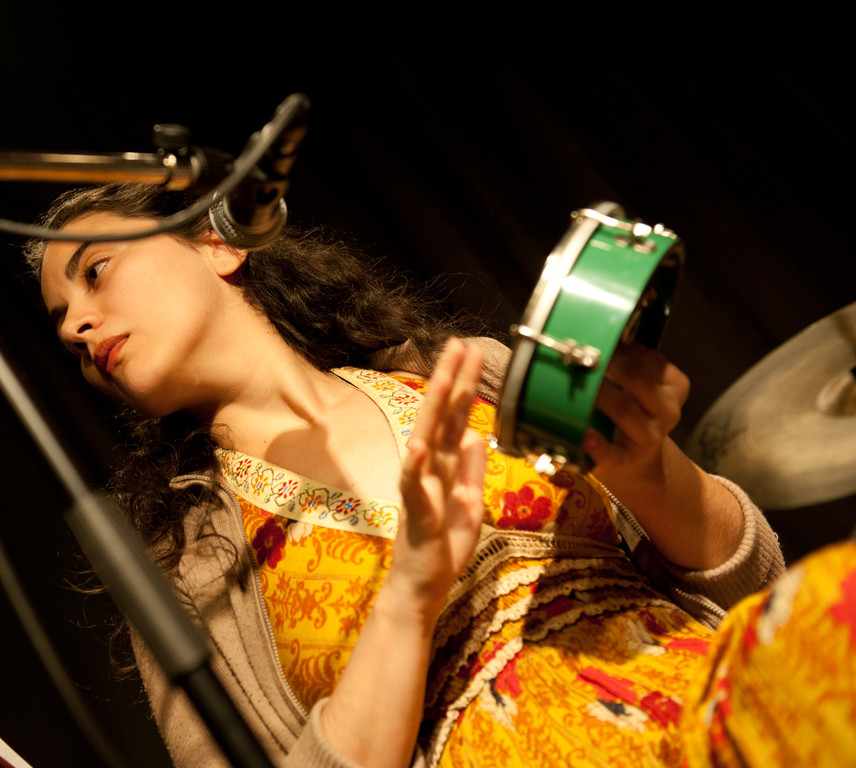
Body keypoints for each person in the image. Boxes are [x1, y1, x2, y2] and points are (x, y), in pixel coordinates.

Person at [25, 183, 852, 768]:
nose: (77, 327)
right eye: (62, 323)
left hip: (711, 701)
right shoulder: (184, 571)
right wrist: (412, 592)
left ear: (217, 244)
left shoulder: (469, 377)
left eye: (95, 272)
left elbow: (752, 576)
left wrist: (646, 469)